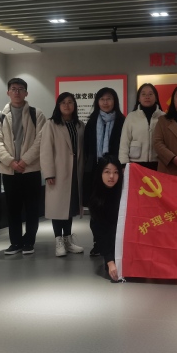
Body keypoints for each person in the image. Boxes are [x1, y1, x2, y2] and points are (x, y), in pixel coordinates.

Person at [0, 78, 46, 255]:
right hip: (9, 171)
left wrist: (24, 161)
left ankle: (29, 241)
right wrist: (11, 162)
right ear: (8, 92)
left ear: (26, 93)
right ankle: (15, 243)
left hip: (31, 170)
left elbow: (41, 140)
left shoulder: (37, 114)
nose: (17, 92)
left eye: (20, 89)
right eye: (13, 89)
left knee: (32, 208)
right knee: (12, 208)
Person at [40, 92, 85, 257]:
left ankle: (68, 240)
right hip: (58, 172)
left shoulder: (80, 125)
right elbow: (45, 150)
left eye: (70, 102)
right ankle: (58, 240)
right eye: (63, 102)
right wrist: (49, 173)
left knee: (70, 207)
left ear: (74, 105)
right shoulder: (51, 124)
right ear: (58, 106)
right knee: (57, 208)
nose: (67, 105)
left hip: (75, 172)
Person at [83, 87, 125, 256]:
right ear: (97, 102)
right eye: (102, 99)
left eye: (109, 99)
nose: (106, 102)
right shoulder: (92, 122)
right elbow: (87, 149)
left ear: (115, 101)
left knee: (115, 207)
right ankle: (98, 242)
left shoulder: (122, 121)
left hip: (116, 171)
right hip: (95, 171)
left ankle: (114, 241)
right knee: (96, 208)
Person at [89, 155, 124, 282]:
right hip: (109, 241)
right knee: (116, 272)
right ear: (100, 173)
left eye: (116, 172)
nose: (111, 176)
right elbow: (99, 232)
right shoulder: (96, 199)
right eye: (107, 172)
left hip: (125, 240)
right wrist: (110, 261)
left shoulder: (124, 192)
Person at [119, 83, 164, 170]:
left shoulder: (163, 117)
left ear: (156, 98)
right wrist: (123, 164)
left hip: (158, 163)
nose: (147, 97)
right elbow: (124, 142)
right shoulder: (131, 117)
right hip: (135, 164)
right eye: (143, 94)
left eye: (150, 94)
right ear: (139, 98)